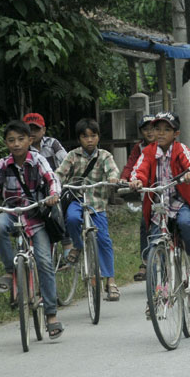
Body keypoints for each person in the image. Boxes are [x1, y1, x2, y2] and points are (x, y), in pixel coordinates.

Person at [0, 120, 64, 339]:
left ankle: (51, 315)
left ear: (29, 140)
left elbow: (52, 178)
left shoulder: (37, 160)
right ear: (6, 143)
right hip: (12, 214)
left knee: (44, 261)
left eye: (21, 139)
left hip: (36, 217)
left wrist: (54, 195)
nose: (16, 144)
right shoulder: (3, 164)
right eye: (11, 140)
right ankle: (10, 270)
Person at [129, 111, 190, 282]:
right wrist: (137, 181)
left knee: (185, 222)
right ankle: (159, 295)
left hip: (180, 201)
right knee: (156, 242)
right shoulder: (149, 151)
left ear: (176, 134)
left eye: (166, 130)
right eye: (158, 129)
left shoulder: (180, 149)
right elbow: (139, 169)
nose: (161, 133)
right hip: (159, 204)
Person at [54, 118, 121, 301]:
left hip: (97, 203)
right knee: (73, 220)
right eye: (85, 136)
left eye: (93, 136)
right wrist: (53, 184)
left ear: (98, 137)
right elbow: (60, 173)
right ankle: (77, 246)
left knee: (104, 239)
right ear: (79, 139)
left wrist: (114, 179)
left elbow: (113, 171)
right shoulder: (73, 156)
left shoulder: (105, 155)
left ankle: (111, 281)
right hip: (76, 199)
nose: (89, 140)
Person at [123, 114, 156, 282]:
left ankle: (181, 260)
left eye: (153, 128)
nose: (150, 132)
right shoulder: (139, 148)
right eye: (146, 129)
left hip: (168, 190)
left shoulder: (169, 144)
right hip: (147, 191)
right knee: (145, 223)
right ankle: (145, 262)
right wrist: (124, 179)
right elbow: (131, 165)